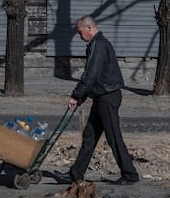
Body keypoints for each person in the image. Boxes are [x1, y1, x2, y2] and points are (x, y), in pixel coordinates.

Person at [51, 15, 139, 185]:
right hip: (101, 95)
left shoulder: (99, 45)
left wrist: (76, 95)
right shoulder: (97, 44)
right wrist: (84, 95)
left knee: (113, 137)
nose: (79, 36)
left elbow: (91, 74)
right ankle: (75, 174)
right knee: (90, 136)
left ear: (89, 28)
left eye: (80, 32)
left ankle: (130, 175)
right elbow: (95, 76)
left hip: (107, 97)